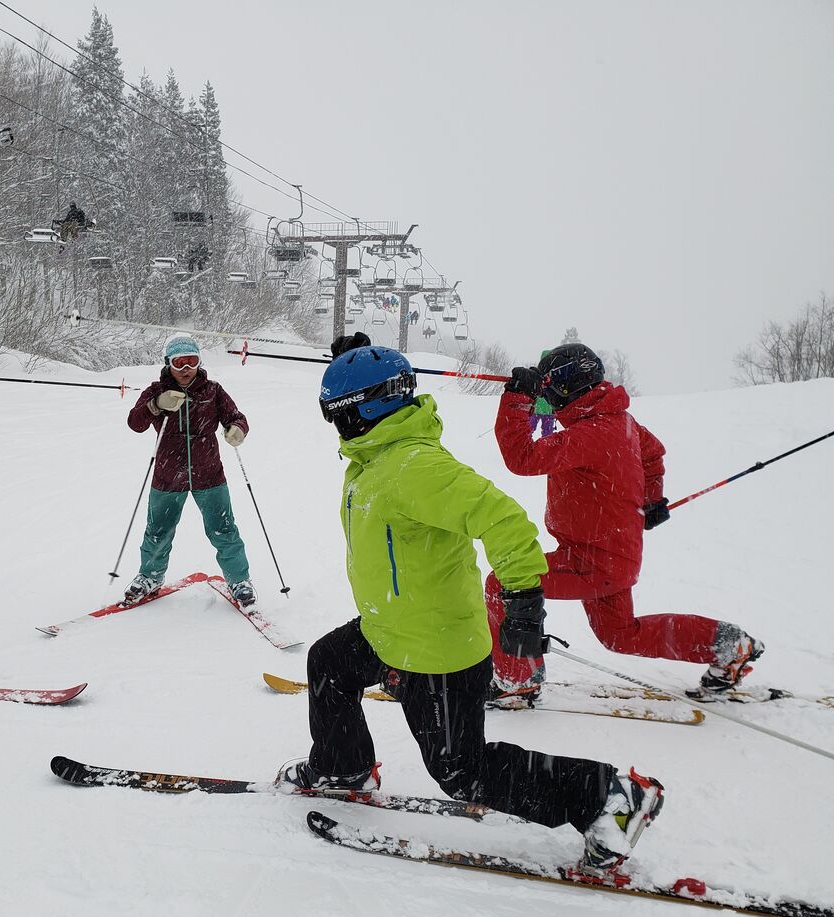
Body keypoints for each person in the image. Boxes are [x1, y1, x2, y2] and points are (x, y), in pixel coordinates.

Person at [277, 338, 664, 875]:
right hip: (390, 627)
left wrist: (525, 598)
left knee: (462, 772)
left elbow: (502, 517)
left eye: (336, 415)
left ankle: (609, 798)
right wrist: (363, 360)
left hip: (437, 649)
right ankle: (343, 768)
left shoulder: (413, 467)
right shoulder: (382, 453)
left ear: (364, 413)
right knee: (330, 662)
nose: (334, 427)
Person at [485, 342, 764, 706]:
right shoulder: (618, 422)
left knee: (504, 584)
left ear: (566, 389)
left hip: (593, 561)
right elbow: (652, 453)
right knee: (619, 635)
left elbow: (522, 458)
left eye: (548, 387)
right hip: (608, 556)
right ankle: (728, 645)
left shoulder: (591, 433)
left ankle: (517, 681)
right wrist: (652, 498)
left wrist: (518, 400)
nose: (546, 397)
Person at [124, 334, 256, 607]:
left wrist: (237, 430)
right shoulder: (155, 391)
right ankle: (150, 576)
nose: (185, 369)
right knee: (158, 531)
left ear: (199, 362)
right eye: (179, 362)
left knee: (224, 529)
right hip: (167, 475)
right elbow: (135, 423)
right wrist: (156, 405)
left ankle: (239, 580)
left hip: (209, 474)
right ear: (168, 364)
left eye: (191, 362)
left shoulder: (212, 391)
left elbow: (236, 417)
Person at [528, 351, 558, 438]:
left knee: (545, 434)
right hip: (543, 409)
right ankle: (546, 449)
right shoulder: (552, 375)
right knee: (546, 434)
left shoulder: (538, 374)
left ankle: (545, 449)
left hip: (542, 409)